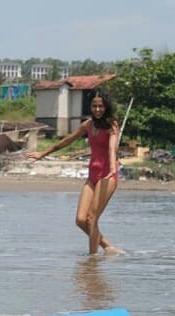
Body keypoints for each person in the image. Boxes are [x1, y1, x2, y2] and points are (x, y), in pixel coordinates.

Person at [25, 89, 123, 256]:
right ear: (90, 106)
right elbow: (66, 141)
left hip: (107, 175)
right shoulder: (88, 125)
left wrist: (113, 168)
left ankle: (92, 261)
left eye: (101, 106)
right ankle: (107, 247)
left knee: (92, 219)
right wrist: (43, 153)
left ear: (106, 107)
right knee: (80, 220)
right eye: (94, 106)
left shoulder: (111, 125)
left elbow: (112, 148)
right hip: (92, 175)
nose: (97, 109)